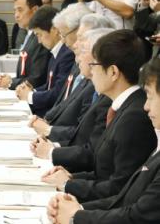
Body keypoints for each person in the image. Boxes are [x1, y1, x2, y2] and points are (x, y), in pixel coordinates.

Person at [41, 29, 156, 203]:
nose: (90, 70)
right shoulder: (121, 106)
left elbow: (118, 188)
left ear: (113, 72)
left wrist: (69, 186)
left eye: (94, 64)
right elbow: (101, 168)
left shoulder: (135, 117)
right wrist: (70, 177)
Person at [46, 57, 160, 224]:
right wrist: (78, 209)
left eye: (149, 96)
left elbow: (137, 216)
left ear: (113, 71)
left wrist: (76, 216)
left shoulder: (134, 117)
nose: (146, 106)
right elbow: (125, 199)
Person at [31, 29, 114, 173]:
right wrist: (52, 145)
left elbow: (90, 151)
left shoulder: (106, 97)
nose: (76, 48)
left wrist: (52, 148)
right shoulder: (90, 83)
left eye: (83, 50)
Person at [29, 13, 113, 144]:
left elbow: (84, 137)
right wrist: (46, 121)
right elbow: (64, 101)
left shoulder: (102, 87)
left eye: (82, 39)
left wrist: (50, 135)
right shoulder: (80, 68)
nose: (76, 45)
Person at [15, 6, 75, 117]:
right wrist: (32, 91)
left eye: (40, 34)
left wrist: (30, 96)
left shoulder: (67, 55)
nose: (38, 40)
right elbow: (48, 86)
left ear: (54, 30)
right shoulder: (55, 53)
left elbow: (58, 93)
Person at [0, 0, 50, 90]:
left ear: (35, 10)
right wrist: (10, 80)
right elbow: (25, 74)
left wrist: (11, 82)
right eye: (15, 11)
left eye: (20, 10)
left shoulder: (41, 38)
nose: (16, 15)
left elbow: (37, 78)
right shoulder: (30, 34)